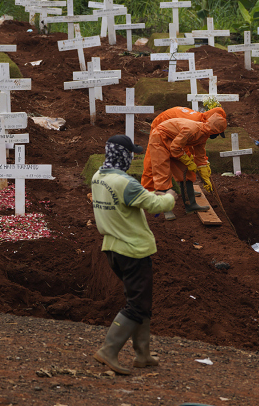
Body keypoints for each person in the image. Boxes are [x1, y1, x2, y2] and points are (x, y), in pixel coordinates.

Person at [90, 135, 178, 375]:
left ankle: (143, 354)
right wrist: (170, 197)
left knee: (141, 302)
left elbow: (131, 200)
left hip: (112, 249)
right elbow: (156, 206)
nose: (132, 158)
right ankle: (109, 350)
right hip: (134, 251)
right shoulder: (126, 183)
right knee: (137, 305)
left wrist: (150, 195)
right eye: (131, 154)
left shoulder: (98, 177)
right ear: (124, 155)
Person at [147, 115, 227, 218]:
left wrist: (205, 176)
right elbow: (175, 148)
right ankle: (166, 209)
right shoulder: (191, 130)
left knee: (186, 172)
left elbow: (200, 156)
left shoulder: (203, 135)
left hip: (175, 142)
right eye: (218, 133)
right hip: (159, 138)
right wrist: (188, 162)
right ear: (214, 130)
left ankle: (191, 205)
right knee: (162, 174)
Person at [140, 106, 226, 192]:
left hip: (175, 131)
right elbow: (179, 146)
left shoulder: (204, 128)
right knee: (156, 162)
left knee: (183, 163)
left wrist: (203, 167)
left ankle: (188, 191)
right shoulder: (194, 125)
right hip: (161, 125)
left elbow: (199, 150)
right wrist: (188, 161)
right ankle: (147, 191)